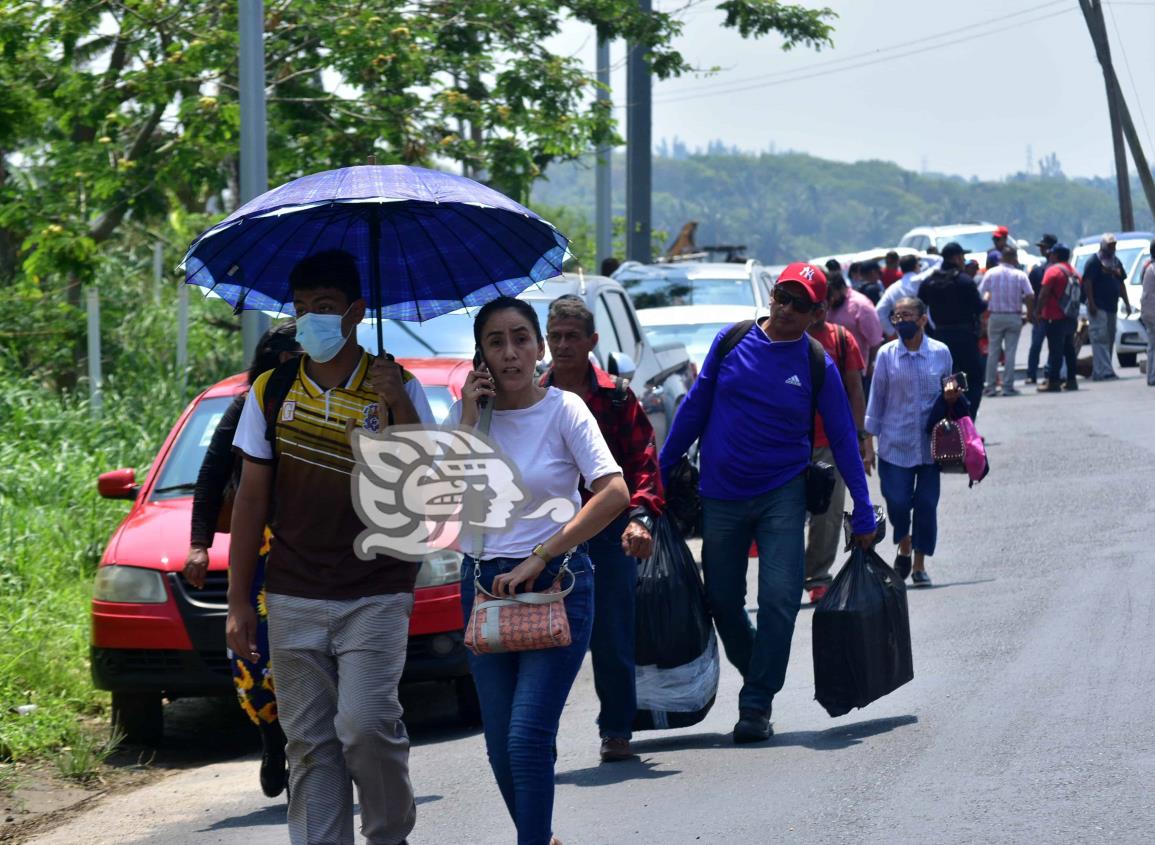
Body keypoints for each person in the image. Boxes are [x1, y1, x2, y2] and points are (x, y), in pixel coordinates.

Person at [227, 249, 436, 845]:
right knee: (310, 745)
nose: (310, 320)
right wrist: (241, 601)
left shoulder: (396, 385)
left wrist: (395, 401)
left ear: (355, 312)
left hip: (377, 589)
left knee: (367, 728)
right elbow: (249, 500)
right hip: (293, 592)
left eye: (324, 308)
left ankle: (389, 833)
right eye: (300, 310)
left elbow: (422, 485)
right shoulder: (271, 391)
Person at [659, 263, 877, 744]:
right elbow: (695, 405)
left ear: (817, 312)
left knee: (779, 600)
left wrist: (862, 507)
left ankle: (756, 703)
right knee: (721, 602)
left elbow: (842, 437)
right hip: (720, 494)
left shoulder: (816, 361)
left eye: (800, 303)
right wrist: (657, 473)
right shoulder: (732, 341)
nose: (786, 308)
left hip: (783, 493)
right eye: (782, 295)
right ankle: (763, 666)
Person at [454, 296, 629, 845]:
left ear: (540, 346)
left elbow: (614, 492)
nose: (510, 353)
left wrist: (544, 553)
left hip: (557, 584)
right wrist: (464, 423)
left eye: (521, 338)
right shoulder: (467, 419)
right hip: (483, 589)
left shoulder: (565, 410)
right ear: (480, 355)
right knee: (500, 743)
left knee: (529, 736)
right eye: (496, 342)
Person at [540, 295, 665, 763]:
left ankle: (616, 730)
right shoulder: (533, 397)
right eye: (555, 337)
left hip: (610, 535)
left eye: (573, 336)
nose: (563, 345)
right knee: (546, 637)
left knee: (612, 635)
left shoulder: (616, 396)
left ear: (592, 341)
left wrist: (638, 517)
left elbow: (643, 462)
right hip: (551, 537)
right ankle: (539, 736)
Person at [183, 321, 300, 798]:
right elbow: (211, 474)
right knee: (257, 655)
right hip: (263, 550)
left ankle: (319, 757)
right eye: (287, 355)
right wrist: (198, 543)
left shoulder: (338, 396)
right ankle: (273, 742)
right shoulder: (250, 402)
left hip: (320, 548)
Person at [866, 297, 967, 587]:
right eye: (896, 317)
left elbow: (949, 390)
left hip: (930, 445)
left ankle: (920, 564)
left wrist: (952, 396)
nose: (901, 322)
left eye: (907, 315)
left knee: (926, 504)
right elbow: (877, 399)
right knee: (897, 502)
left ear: (923, 319)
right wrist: (867, 445)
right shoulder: (886, 355)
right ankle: (904, 540)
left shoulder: (940, 352)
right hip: (894, 445)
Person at [803, 299, 872, 604]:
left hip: (832, 442)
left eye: (819, 305)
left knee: (828, 514)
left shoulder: (842, 340)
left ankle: (817, 578)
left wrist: (861, 437)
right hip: (789, 444)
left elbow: (856, 389)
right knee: (786, 515)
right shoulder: (782, 341)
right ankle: (789, 578)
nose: (816, 312)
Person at [917, 241, 987, 417]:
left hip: (941, 337)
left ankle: (951, 419)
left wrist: (931, 333)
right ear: (956, 258)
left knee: (948, 380)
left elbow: (918, 307)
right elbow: (979, 307)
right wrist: (986, 299)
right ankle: (966, 419)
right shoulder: (964, 281)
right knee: (974, 379)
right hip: (965, 338)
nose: (964, 260)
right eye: (962, 257)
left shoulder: (930, 281)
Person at [979, 246, 1035, 396]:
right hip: (1013, 316)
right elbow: (1030, 295)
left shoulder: (991, 273)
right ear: (1014, 258)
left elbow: (981, 292)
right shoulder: (1020, 275)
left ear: (1002, 258)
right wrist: (1029, 314)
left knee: (993, 352)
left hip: (995, 316)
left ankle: (991, 386)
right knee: (1010, 352)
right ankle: (1007, 386)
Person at [1082, 233, 1134, 381]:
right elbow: (1088, 283)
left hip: (1112, 307)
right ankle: (1102, 371)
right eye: (1110, 245)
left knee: (1109, 338)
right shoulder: (1094, 262)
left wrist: (1127, 303)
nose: (1113, 248)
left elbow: (1121, 283)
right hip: (1098, 306)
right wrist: (1091, 303)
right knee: (1100, 338)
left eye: (1114, 245)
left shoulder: (1116, 262)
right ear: (1103, 246)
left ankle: (1105, 369)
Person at [1035, 243, 1081, 393]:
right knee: (1069, 349)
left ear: (1055, 255)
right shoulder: (1073, 272)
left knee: (1055, 350)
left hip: (1054, 316)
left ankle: (1053, 381)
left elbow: (1044, 293)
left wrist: (1037, 311)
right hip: (1070, 315)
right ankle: (1071, 380)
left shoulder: (1053, 271)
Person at [827, 272, 884, 380]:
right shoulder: (828, 304)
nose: (830, 299)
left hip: (858, 372)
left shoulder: (861, 305)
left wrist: (870, 370)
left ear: (842, 288)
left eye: (832, 295)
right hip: (834, 372)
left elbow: (875, 341)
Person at [1025, 234, 1059, 385]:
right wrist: (1031, 312)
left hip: (1053, 313)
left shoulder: (1057, 270)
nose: (1042, 250)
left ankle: (1049, 372)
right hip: (1041, 314)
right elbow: (1030, 294)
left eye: (1044, 247)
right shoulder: (1037, 271)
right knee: (1036, 345)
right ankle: (1032, 374)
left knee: (1053, 345)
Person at [877, 254, 934, 336]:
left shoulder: (893, 288)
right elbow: (939, 261)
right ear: (916, 266)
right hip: (929, 331)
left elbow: (879, 311)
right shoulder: (923, 280)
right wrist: (921, 255)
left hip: (904, 335)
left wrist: (892, 332)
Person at [1141, 242, 1155, 387]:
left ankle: (1151, 376)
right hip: (1153, 311)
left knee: (1152, 346)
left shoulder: (1147, 267)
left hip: (1148, 311)